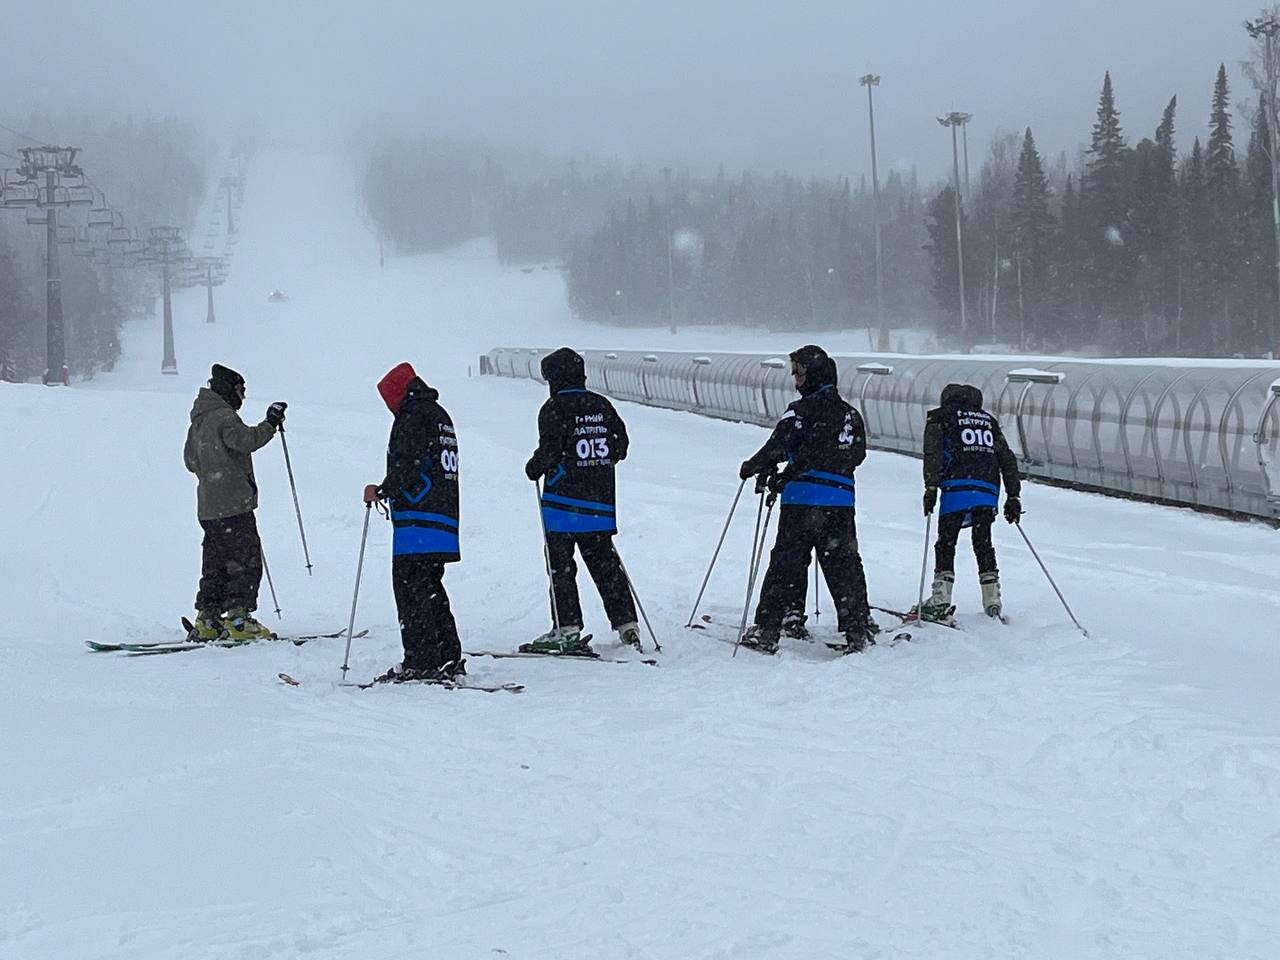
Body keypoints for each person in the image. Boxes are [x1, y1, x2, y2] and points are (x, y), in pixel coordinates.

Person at [738, 353, 875, 654]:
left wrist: (754, 466)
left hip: (802, 502)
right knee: (844, 565)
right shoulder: (851, 415)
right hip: (840, 502)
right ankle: (857, 628)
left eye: (799, 373)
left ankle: (769, 627)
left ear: (813, 376)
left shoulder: (798, 412)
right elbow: (858, 454)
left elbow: (778, 446)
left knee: (787, 563)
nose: (795, 380)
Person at [523, 347, 641, 655]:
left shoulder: (553, 408)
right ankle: (627, 624)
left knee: (561, 566)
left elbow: (549, 452)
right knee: (605, 564)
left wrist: (535, 467)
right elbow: (621, 446)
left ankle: (567, 626)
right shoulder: (601, 405)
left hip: (563, 503)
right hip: (600, 501)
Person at [364, 362, 464, 682]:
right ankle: (447, 655)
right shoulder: (438, 414)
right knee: (431, 588)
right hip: (443, 517)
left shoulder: (412, 417)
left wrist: (382, 490)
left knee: (411, 591)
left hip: (417, 522)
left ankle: (422, 659)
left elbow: (409, 464)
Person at [183, 364, 286, 641]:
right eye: (241, 390)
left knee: (215, 560)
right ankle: (239, 618)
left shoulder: (200, 420)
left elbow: (190, 461)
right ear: (230, 389)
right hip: (233, 505)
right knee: (245, 559)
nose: (243, 397)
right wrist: (271, 423)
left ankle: (208, 616)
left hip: (208, 507)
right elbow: (246, 441)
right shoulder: (224, 417)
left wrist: (212, 470)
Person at [918, 383, 1022, 622]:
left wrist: (931, 487)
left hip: (956, 489)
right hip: (986, 492)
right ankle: (992, 599)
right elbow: (1007, 459)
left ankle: (941, 598)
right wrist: (1013, 496)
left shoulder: (941, 418)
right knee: (983, 543)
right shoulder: (988, 421)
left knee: (946, 543)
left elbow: (933, 454)